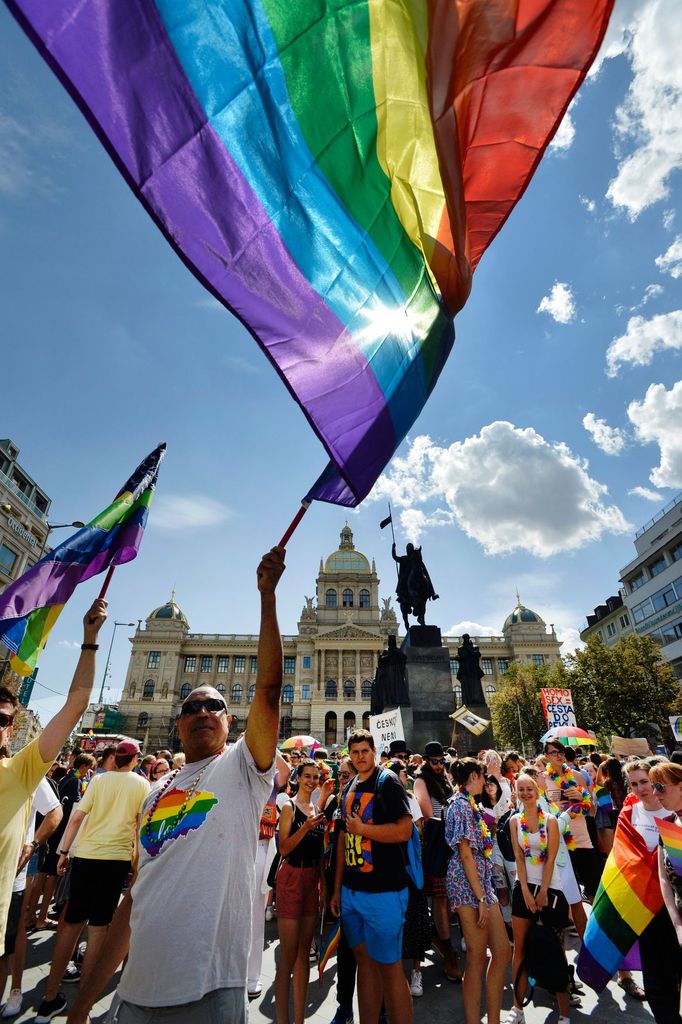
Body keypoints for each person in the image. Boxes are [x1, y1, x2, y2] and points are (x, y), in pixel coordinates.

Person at [66, 547, 286, 1024]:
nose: (202, 712)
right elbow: (137, 899)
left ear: (232, 723)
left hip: (210, 993)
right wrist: (83, 1002)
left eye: (214, 706)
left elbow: (269, 690)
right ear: (180, 725)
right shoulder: (154, 793)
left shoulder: (243, 769)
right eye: (191, 707)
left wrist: (267, 597)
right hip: (134, 998)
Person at [0, 599, 107, 960]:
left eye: (2, 719)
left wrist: (90, 640)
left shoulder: (19, 772)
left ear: (10, 729)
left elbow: (75, 706)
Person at [35, 740, 150, 1022]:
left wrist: (64, 852)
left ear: (116, 758)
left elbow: (75, 819)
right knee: (99, 929)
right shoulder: (141, 785)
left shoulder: (98, 781)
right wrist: (137, 867)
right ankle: (82, 1010)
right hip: (115, 861)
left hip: (85, 857)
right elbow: (138, 828)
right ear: (134, 760)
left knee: (71, 924)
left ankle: (49, 996)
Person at [330, 729, 413, 1024]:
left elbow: (404, 830)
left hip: (385, 891)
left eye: (365, 751)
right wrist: (338, 889)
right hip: (353, 891)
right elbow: (342, 839)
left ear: (374, 751)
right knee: (364, 964)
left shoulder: (387, 782)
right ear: (349, 755)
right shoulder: (350, 784)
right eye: (355, 752)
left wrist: (364, 830)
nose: (360, 757)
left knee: (390, 968)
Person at [445, 757, 511, 1024]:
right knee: (476, 956)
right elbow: (465, 854)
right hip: (466, 882)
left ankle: (493, 1019)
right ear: (473, 776)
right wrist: (481, 897)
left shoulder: (471, 803)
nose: (485, 780)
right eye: (482, 775)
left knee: (503, 951)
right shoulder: (459, 805)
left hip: (481, 881)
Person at [505, 774, 571, 1024]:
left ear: (536, 790)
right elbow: (519, 857)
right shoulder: (514, 821)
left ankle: (564, 1014)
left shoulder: (551, 821)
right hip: (524, 889)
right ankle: (517, 1008)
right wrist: (524, 891)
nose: (524, 793)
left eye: (528, 789)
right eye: (520, 789)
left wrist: (543, 891)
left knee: (555, 949)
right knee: (519, 949)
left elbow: (551, 857)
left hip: (550, 889)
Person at [0, 778, 62, 1019]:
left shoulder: (26, 770)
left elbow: (55, 811)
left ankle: (16, 990)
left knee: (13, 936)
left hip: (12, 874)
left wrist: (33, 843)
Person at [274, 759, 326, 1024]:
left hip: (311, 880)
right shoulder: (288, 807)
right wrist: (306, 827)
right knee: (288, 955)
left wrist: (325, 890)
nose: (312, 781)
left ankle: (299, 1019)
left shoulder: (317, 808)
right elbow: (284, 849)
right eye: (307, 776)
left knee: (305, 953)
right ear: (298, 777)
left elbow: (320, 855)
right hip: (291, 877)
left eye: (315, 777)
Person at [413, 741, 460, 982]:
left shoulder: (445, 779)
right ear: (426, 761)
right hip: (436, 844)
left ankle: (441, 934)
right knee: (441, 899)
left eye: (442, 761)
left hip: (450, 842)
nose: (440, 765)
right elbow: (427, 815)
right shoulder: (421, 780)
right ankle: (447, 948)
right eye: (435, 762)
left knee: (449, 898)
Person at [248, 752, 290, 1000]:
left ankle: (252, 977)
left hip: (260, 847)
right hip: (233, 846)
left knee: (254, 916)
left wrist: (265, 743)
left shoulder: (271, 780)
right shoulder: (236, 775)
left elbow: (285, 771)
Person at [543, 740, 602, 902]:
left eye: (561, 752)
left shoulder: (577, 776)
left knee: (594, 888)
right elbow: (540, 813)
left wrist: (581, 797)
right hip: (559, 842)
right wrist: (557, 810)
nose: (559, 755)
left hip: (582, 839)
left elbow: (591, 810)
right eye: (554, 752)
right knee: (570, 895)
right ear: (546, 756)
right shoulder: (541, 780)